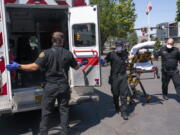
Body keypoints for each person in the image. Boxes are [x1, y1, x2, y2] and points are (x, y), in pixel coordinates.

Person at [6, 32, 84, 135]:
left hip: (50, 87)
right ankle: (65, 132)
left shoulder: (45, 53)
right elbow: (76, 67)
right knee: (64, 110)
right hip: (63, 87)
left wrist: (18, 66)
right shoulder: (68, 53)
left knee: (46, 112)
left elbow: (34, 67)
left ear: (52, 40)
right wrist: (79, 64)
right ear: (62, 41)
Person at [103, 40, 129, 120]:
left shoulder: (125, 53)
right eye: (118, 46)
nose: (119, 47)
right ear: (116, 46)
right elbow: (105, 61)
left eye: (120, 46)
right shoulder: (111, 54)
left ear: (122, 46)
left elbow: (129, 59)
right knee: (115, 94)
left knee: (124, 95)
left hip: (123, 76)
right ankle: (117, 106)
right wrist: (103, 62)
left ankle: (124, 112)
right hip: (114, 77)